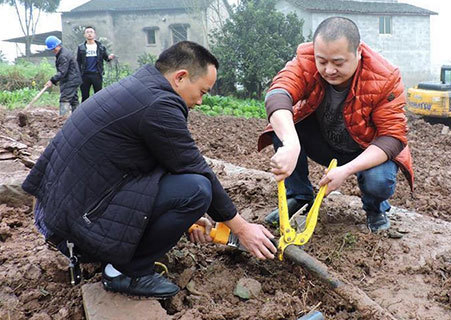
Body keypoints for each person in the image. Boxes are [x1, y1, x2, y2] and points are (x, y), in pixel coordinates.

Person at [23, 41, 276, 298]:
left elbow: (164, 162)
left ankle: (122, 258)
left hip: (69, 209)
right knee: (198, 190)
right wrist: (242, 228)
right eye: (202, 91)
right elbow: (197, 170)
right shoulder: (158, 105)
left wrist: (186, 219)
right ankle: (124, 272)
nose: (200, 101)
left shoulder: (143, 87)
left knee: (189, 189)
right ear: (180, 77)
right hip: (76, 226)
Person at [258, 17, 414, 233]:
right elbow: (278, 93)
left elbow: (393, 137)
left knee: (378, 180)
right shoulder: (306, 60)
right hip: (324, 141)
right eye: (322, 61)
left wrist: (346, 170)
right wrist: (291, 143)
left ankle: (375, 208)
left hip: (365, 149)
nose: (329, 70)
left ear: (358, 51)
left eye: (338, 63)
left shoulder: (385, 77)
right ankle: (300, 196)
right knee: (283, 128)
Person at [44, 35, 82, 115]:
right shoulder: (63, 52)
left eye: (53, 49)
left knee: (64, 99)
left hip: (71, 80)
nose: (53, 51)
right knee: (73, 100)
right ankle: (78, 117)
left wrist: (52, 80)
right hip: (73, 79)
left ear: (57, 46)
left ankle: (62, 119)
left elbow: (62, 72)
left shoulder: (63, 56)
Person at [77, 26, 115, 102]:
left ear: (94, 34)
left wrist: (110, 57)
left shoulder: (100, 47)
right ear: (84, 35)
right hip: (85, 75)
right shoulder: (81, 47)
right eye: (87, 32)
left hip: (97, 74)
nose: (89, 34)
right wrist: (78, 74)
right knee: (85, 96)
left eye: (91, 32)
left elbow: (106, 58)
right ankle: (85, 112)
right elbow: (78, 61)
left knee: (98, 96)